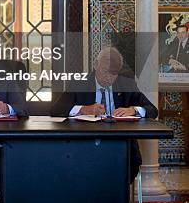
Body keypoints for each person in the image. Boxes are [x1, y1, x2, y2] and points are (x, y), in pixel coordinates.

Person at [51, 46, 158, 179]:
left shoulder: (127, 84)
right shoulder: (79, 83)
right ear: (96, 65)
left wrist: (133, 110)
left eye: (113, 74)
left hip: (120, 147)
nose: (108, 77)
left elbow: (153, 110)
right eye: (104, 71)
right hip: (85, 145)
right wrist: (84, 109)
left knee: (120, 169)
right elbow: (55, 109)